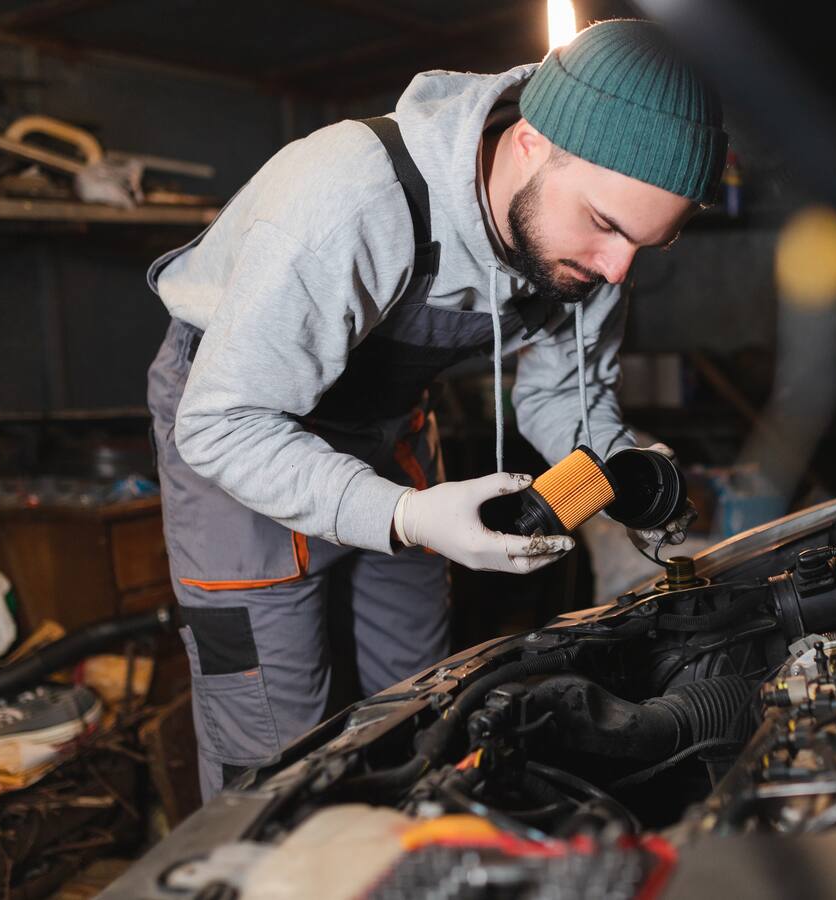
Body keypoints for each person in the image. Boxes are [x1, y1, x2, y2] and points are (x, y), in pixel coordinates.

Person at [146, 18, 727, 799]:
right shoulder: (349, 198)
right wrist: (410, 517)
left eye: (644, 248)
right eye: (604, 226)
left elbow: (562, 397)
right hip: (237, 429)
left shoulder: (589, 256)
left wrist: (623, 471)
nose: (615, 272)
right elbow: (221, 424)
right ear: (528, 142)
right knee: (275, 754)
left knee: (425, 703)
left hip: (390, 429)